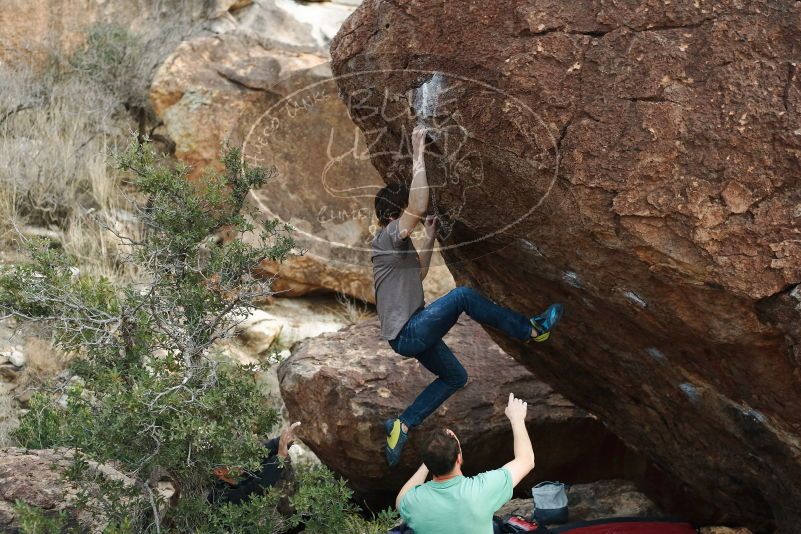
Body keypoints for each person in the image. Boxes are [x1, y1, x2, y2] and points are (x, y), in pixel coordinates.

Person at [371, 125, 564, 466]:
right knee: (462, 296)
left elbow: (420, 274)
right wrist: (417, 155)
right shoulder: (386, 237)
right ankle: (530, 330)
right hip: (409, 332)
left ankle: (402, 424)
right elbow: (418, 203)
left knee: (455, 376)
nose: (409, 220)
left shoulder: (397, 249)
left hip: (410, 333)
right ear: (390, 217)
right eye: (401, 215)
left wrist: (428, 236)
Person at [395, 393, 536, 534]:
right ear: (459, 458)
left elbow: (401, 498)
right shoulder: (482, 490)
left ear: (427, 462)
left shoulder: (413, 502)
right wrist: (517, 419)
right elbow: (527, 460)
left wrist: (430, 459)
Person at [210, 422, 301, 505]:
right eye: (235, 462)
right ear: (219, 472)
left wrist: (280, 442)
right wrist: (280, 458)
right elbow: (255, 490)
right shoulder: (218, 495)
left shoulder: (227, 481)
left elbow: (254, 464)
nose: (241, 464)